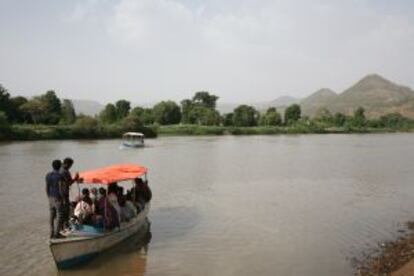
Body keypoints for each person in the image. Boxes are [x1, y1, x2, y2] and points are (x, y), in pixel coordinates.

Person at [46, 160, 64, 238]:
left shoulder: (48, 175)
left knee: (52, 215)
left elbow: (46, 187)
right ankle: (57, 233)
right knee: (60, 215)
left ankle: (51, 232)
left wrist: (48, 196)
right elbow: (60, 188)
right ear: (60, 166)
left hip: (50, 197)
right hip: (58, 197)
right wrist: (62, 197)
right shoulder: (59, 176)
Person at [60, 157, 80, 229]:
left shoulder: (60, 169)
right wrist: (75, 178)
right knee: (65, 209)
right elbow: (69, 183)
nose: (70, 167)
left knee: (62, 210)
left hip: (60, 193)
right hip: (64, 193)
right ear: (66, 164)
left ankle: (63, 226)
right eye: (70, 165)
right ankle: (65, 226)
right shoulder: (65, 171)